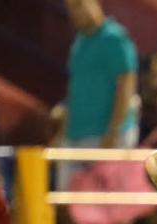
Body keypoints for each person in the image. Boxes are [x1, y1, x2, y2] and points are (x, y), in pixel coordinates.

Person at [60, 0, 137, 150]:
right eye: (71, 8)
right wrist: (62, 133)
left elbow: (126, 86)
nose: (76, 13)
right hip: (74, 136)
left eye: (79, 5)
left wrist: (113, 132)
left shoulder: (115, 38)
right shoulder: (79, 43)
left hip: (105, 138)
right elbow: (74, 90)